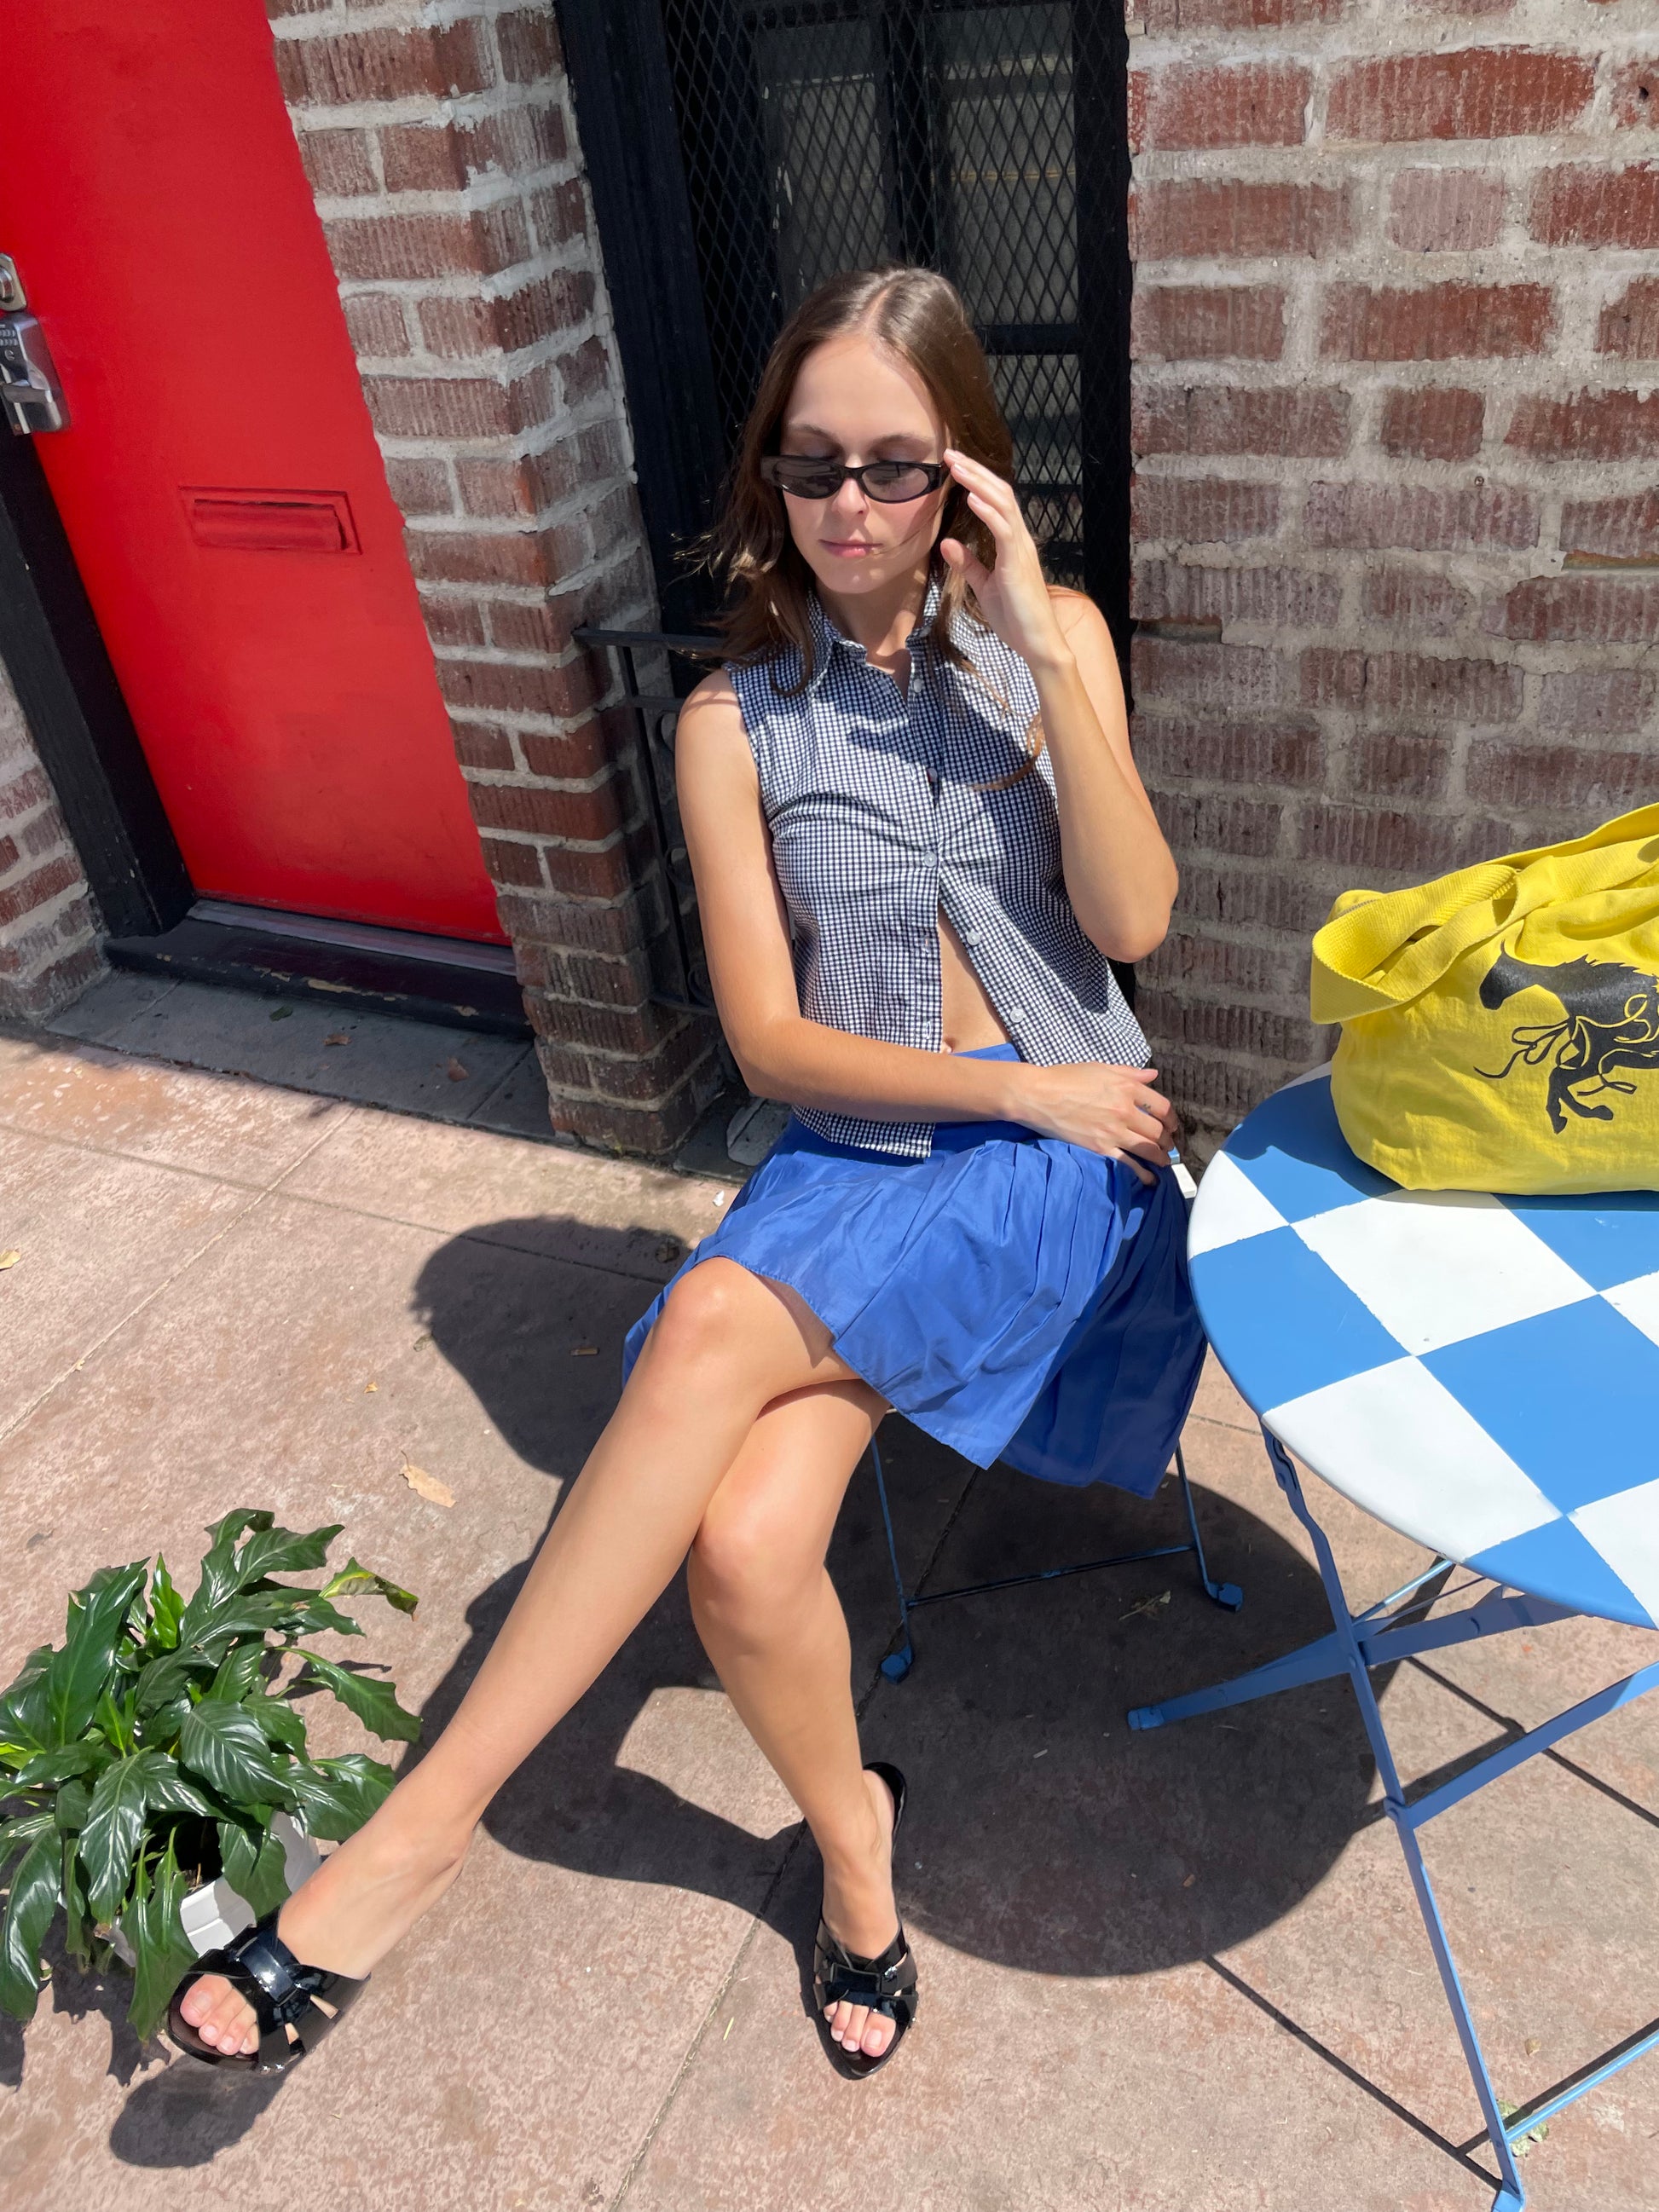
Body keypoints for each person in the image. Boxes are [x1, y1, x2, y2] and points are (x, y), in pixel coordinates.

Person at [168, 265, 1203, 2083]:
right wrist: (1000, 1090)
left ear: (964, 472)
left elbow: (1133, 922)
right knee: (737, 1552)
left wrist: (1038, 640)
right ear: (771, 480)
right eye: (815, 468)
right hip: (862, 1146)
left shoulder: (1067, 644)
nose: (855, 507)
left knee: (711, 1315)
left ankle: (413, 1839)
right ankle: (858, 1859)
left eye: (897, 465)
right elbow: (770, 1048)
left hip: (1069, 1156)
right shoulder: (733, 724)